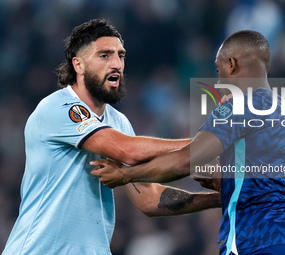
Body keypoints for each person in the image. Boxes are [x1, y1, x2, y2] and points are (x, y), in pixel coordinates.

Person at [90, 30, 285, 255]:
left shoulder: (237, 106)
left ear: (231, 64)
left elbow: (184, 161)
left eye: (218, 69)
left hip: (256, 242)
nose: (218, 78)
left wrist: (126, 175)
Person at [2, 19, 221, 255]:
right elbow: (128, 150)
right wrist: (214, 142)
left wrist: (218, 198)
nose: (116, 63)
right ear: (79, 65)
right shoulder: (58, 107)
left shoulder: (118, 122)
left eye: (121, 55)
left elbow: (149, 199)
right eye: (104, 55)